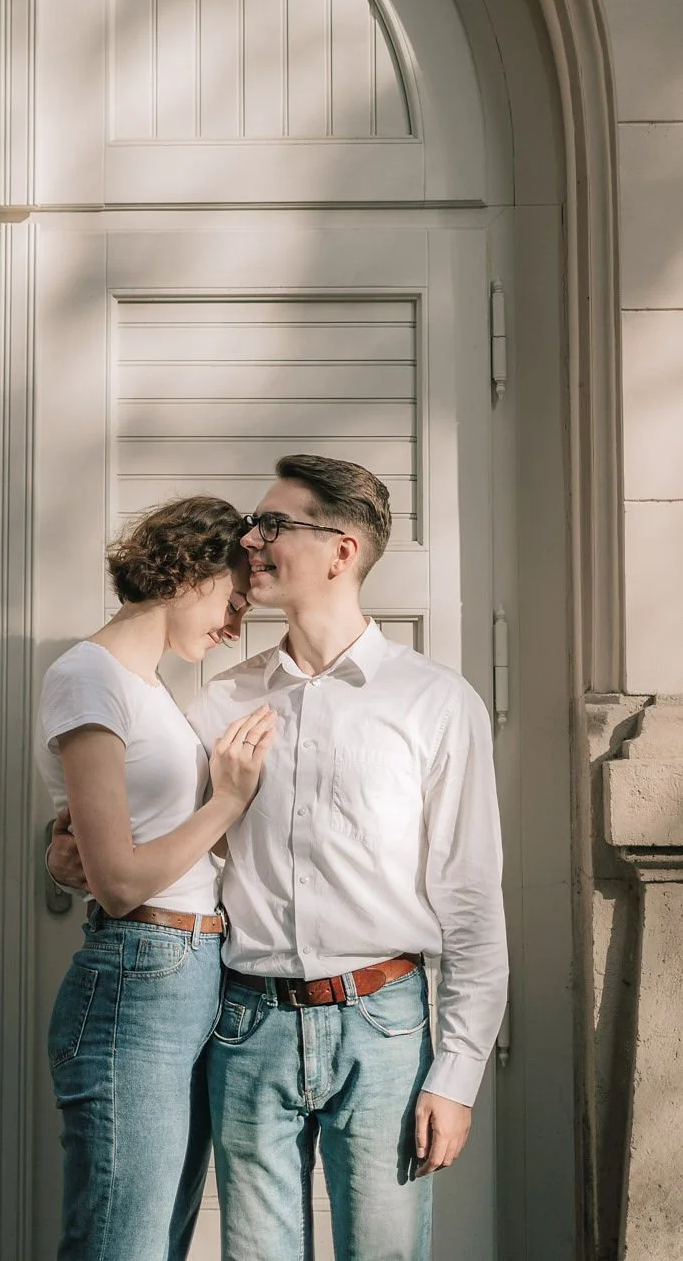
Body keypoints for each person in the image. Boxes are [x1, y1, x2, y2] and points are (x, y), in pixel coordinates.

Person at [50, 455, 508, 1261]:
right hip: (245, 1024)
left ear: (342, 550)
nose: (250, 542)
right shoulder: (221, 700)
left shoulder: (435, 703)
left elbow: (471, 899)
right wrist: (62, 852)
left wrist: (458, 1074)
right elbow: (137, 828)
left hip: (385, 1024)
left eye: (274, 525)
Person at [36, 494, 275, 1261]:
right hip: (136, 981)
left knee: (157, 1241)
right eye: (235, 600)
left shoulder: (147, 690)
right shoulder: (89, 676)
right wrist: (229, 802)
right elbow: (120, 882)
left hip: (188, 974)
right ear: (194, 571)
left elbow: (112, 832)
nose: (235, 626)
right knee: (123, 1244)